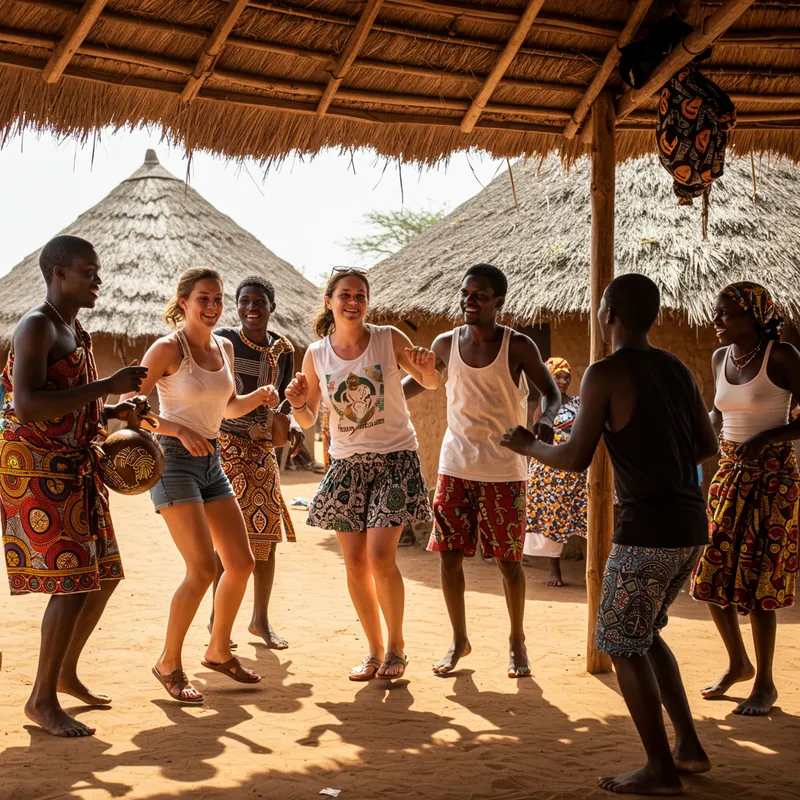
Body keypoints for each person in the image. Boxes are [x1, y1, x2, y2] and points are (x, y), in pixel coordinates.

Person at [502, 274, 718, 796]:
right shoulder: (677, 370)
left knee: (620, 642)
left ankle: (660, 769)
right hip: (689, 525)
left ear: (609, 313)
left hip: (645, 530)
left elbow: (574, 458)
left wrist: (527, 447)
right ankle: (688, 747)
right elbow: (705, 448)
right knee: (645, 635)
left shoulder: (605, 373)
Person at [0, 235, 148, 737]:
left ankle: (63, 674)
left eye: (98, 272)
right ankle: (41, 700)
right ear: (59, 273)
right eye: (89, 271)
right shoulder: (37, 326)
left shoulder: (74, 328)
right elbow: (28, 406)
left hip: (74, 467)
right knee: (71, 581)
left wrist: (110, 410)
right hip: (40, 470)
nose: (98, 281)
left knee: (103, 575)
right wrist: (107, 387)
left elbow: (65, 397)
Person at [129, 267, 279, 703]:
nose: (212, 307)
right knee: (202, 569)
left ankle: (217, 651)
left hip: (212, 463)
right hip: (174, 463)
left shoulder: (225, 347)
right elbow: (131, 409)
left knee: (242, 562)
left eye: (216, 299)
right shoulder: (166, 348)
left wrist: (260, 396)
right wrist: (177, 430)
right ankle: (168, 664)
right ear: (183, 303)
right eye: (203, 299)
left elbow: (227, 407)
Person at [404, 264, 560, 678]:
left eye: (480, 295)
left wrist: (545, 419)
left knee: (509, 562)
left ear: (498, 302)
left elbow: (552, 392)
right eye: (466, 293)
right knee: (449, 556)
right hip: (455, 465)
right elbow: (417, 384)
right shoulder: (445, 343)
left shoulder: (518, 346)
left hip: (505, 469)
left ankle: (517, 641)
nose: (469, 301)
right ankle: (459, 640)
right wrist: (381, 402)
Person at [285, 268, 441, 681]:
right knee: (354, 563)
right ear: (329, 302)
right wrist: (299, 402)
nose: (352, 301)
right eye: (345, 295)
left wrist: (426, 369)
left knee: (378, 557)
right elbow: (305, 420)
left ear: (367, 302)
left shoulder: (388, 338)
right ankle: (373, 651)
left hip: (393, 459)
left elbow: (430, 381)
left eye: (360, 295)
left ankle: (396, 649)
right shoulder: (317, 353)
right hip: (346, 466)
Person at [691, 282, 800, 717]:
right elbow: (721, 412)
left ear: (754, 316)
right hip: (731, 474)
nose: (717, 321)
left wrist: (769, 437)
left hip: (773, 480)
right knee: (711, 574)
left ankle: (766, 684)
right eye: (716, 313)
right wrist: (699, 442)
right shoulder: (721, 358)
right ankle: (738, 662)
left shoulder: (784, 357)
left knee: (758, 584)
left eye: (727, 314)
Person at [210, 276, 303, 650]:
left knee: (266, 539)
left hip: (263, 453)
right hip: (226, 447)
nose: (252, 308)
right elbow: (215, 393)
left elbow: (283, 400)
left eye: (259, 302)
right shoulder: (224, 342)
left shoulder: (283, 349)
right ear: (236, 306)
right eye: (245, 301)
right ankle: (219, 620)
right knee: (225, 541)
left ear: (272, 308)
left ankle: (259, 620)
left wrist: (290, 421)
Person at [523, 357, 587, 587]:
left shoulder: (579, 403)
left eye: (566, 376)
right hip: (550, 473)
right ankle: (555, 572)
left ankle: (593, 570)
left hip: (576, 470)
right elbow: (538, 437)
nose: (563, 380)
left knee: (585, 521)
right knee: (553, 522)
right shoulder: (542, 406)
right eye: (557, 375)